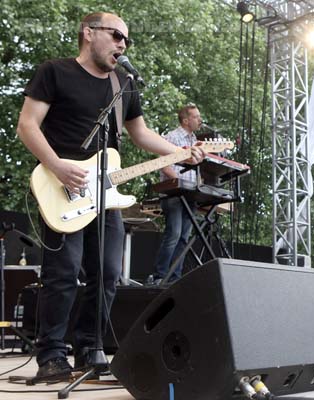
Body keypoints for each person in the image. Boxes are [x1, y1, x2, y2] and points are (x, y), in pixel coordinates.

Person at [16, 12, 204, 381]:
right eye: (117, 35)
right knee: (63, 272)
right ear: (89, 33)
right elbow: (27, 125)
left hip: (104, 194)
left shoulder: (124, 83)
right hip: (62, 186)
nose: (122, 44)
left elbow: (141, 134)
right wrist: (57, 166)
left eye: (126, 41)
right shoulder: (54, 71)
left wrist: (180, 154)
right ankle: (52, 355)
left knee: (107, 274)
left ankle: (91, 348)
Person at [153, 105, 203, 282]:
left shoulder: (195, 140)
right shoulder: (172, 137)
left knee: (183, 238)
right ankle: (160, 276)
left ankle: (175, 278)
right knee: (173, 234)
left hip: (190, 195)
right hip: (173, 193)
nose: (200, 120)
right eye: (196, 117)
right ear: (186, 120)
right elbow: (163, 165)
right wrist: (179, 184)